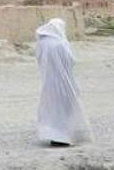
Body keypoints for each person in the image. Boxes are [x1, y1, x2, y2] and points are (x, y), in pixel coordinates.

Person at [35, 19, 93, 147]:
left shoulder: (42, 43)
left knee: (51, 109)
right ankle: (64, 136)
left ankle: (53, 136)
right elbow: (70, 60)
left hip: (48, 81)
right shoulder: (60, 43)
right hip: (63, 80)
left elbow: (38, 59)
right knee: (65, 108)